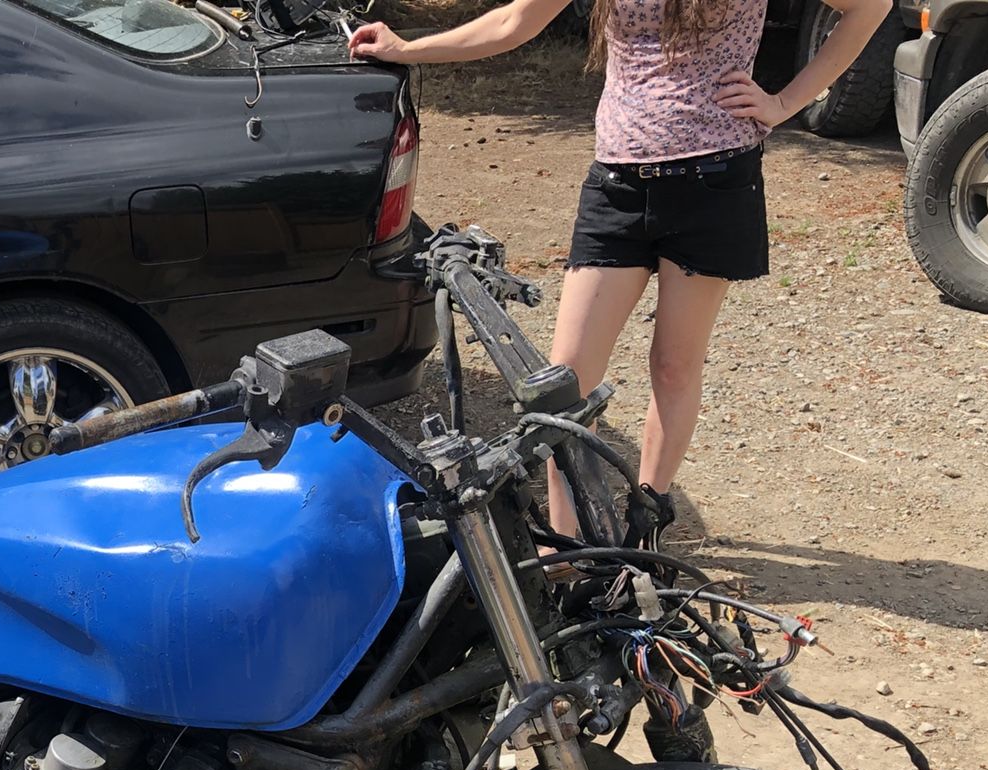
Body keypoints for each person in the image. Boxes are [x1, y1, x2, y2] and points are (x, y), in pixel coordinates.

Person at [349, 0, 891, 538]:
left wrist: (784, 102)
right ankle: (568, 551)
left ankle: (647, 517)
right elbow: (515, 20)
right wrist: (407, 49)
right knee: (562, 387)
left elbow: (868, 7)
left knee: (675, 366)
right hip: (618, 186)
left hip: (716, 182)